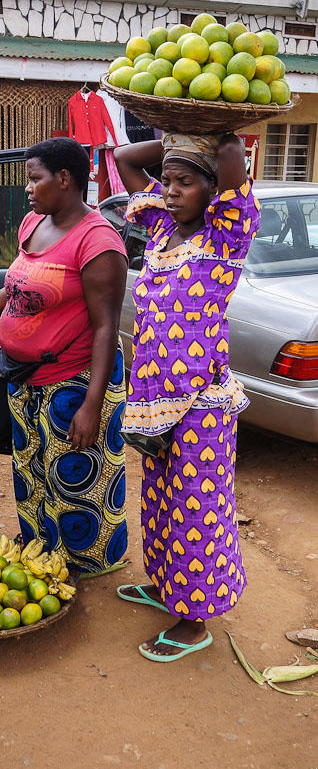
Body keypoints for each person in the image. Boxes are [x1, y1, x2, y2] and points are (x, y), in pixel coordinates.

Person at [0, 137, 129, 577]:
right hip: (24, 377)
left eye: (34, 178)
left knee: (77, 479)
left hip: (74, 380)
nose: (27, 188)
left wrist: (92, 404)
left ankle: (86, 565)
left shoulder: (98, 242)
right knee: (33, 474)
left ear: (64, 179)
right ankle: (40, 553)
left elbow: (106, 328)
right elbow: (16, 288)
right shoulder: (33, 224)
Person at [114, 132, 260, 661]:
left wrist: (206, 131)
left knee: (197, 510)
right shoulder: (159, 229)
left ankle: (195, 620)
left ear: (212, 189)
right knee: (160, 500)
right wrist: (172, 138)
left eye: (185, 182)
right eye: (168, 182)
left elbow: (231, 158)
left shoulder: (226, 238)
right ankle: (169, 586)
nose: (171, 191)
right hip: (153, 400)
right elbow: (125, 158)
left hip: (201, 401)